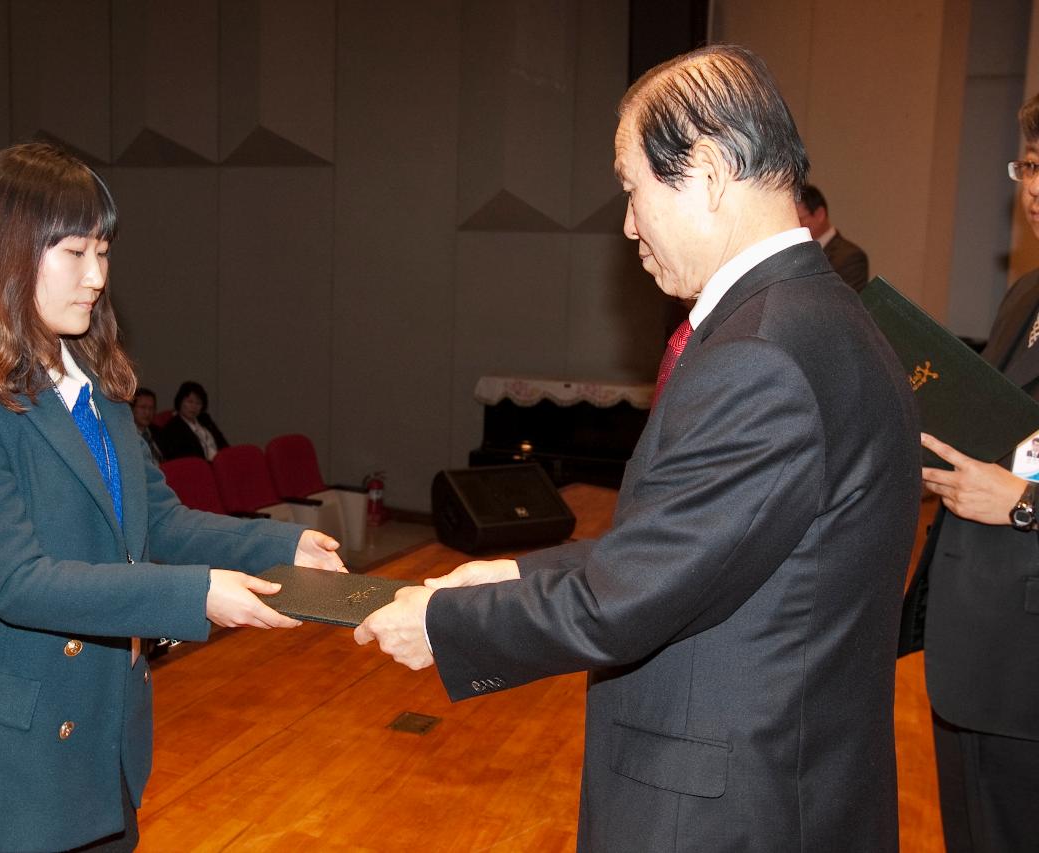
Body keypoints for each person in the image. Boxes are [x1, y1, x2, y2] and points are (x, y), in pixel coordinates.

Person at [356, 44, 921, 852]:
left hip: (724, 813)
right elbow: (694, 546)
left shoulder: (762, 352)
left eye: (632, 188)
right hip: (791, 787)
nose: (626, 224)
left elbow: (633, 599)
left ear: (710, 168)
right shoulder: (822, 317)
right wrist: (516, 570)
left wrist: (446, 623)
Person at [0, 141, 344, 853]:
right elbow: (17, 581)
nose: (97, 277)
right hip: (12, 751)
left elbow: (155, 520)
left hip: (101, 727)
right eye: (75, 252)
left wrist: (279, 545)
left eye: (104, 251)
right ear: (7, 251)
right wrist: (194, 595)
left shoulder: (91, 381)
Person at [902, 92, 1039, 852]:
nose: (1038, 190)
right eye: (1033, 166)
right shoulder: (1026, 295)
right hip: (974, 649)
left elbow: (1023, 482)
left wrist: (1023, 502)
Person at [796, 183, 870, 291]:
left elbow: (845, 304)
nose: (794, 226)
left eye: (799, 219)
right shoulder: (796, 253)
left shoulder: (850, 257)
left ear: (820, 215)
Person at [157, 380, 228, 462]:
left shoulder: (205, 419)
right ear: (180, 401)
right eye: (190, 402)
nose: (194, 407)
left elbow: (223, 444)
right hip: (199, 468)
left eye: (198, 403)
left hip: (220, 463)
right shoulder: (173, 428)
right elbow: (186, 457)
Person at [130, 386, 164, 465]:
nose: (147, 413)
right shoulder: (127, 436)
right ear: (132, 409)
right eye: (143, 407)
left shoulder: (159, 432)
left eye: (151, 408)